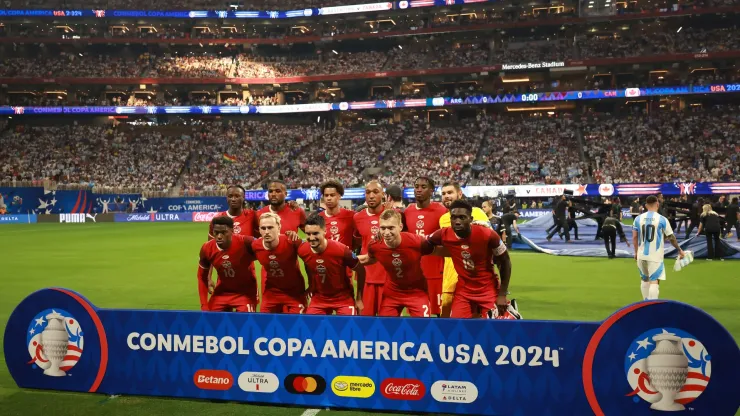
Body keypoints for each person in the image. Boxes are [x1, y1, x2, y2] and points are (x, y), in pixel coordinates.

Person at [427, 200, 512, 319]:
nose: (457, 221)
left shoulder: (487, 234)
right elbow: (424, 244)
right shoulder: (444, 234)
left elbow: (505, 261)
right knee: (457, 327)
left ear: (471, 219)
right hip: (464, 292)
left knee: (499, 328)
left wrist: (502, 294)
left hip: (487, 289)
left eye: (462, 217)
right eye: (454, 218)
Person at [359, 210, 436, 317]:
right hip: (392, 294)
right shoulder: (375, 245)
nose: (386, 233)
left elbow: (438, 250)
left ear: (400, 227)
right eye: (383, 228)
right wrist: (343, 258)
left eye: (391, 228)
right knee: (386, 328)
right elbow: (368, 259)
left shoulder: (416, 242)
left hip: (417, 293)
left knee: (422, 328)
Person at [438, 182, 491, 318]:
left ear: (460, 194)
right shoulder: (443, 219)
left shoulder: (477, 212)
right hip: (450, 280)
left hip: (475, 281)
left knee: (477, 322)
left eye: (450, 192)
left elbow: (490, 242)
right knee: (447, 323)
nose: (446, 196)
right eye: (443, 194)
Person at [298, 214, 364, 315]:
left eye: (315, 233)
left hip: (343, 298)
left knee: (347, 328)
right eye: (308, 234)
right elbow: (308, 265)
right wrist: (311, 285)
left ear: (325, 231)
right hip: (319, 298)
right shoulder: (303, 250)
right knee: (312, 328)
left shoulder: (342, 250)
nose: (311, 238)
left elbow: (361, 270)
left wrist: (359, 298)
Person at [404, 176, 447, 316]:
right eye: (416, 187)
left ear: (432, 191)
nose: (419, 190)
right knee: (417, 317)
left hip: (436, 272)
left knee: (439, 315)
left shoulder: (441, 211)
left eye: (423, 187)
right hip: (414, 273)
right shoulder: (408, 211)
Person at [197, 216, 258, 312]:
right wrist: (204, 306)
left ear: (232, 231)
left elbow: (266, 247)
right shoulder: (207, 248)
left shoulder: (246, 242)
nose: (219, 236)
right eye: (216, 233)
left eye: (223, 232)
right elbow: (201, 277)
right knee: (212, 321)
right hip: (222, 292)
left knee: (244, 323)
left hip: (245, 293)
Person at [632, 195, 686, 301]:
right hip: (655, 256)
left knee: (644, 279)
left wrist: (636, 252)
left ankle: (645, 304)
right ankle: (653, 306)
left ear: (646, 206)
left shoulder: (638, 219)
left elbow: (634, 236)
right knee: (654, 281)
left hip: (641, 254)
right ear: (657, 204)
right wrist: (679, 249)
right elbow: (671, 237)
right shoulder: (662, 219)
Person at [251, 212, 307, 313]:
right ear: (259, 230)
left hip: (295, 292)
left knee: (298, 325)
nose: (267, 231)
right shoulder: (255, 246)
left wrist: (312, 284)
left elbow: (310, 256)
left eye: (270, 227)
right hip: (272, 292)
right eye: (263, 228)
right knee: (264, 324)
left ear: (279, 227)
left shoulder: (291, 241)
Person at [353, 180, 390, 316]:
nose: (371, 196)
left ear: (383, 194)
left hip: (387, 275)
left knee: (387, 322)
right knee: (364, 321)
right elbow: (356, 242)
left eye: (375, 192)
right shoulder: (357, 217)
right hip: (366, 276)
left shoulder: (392, 215)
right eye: (368, 192)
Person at [318, 180, 356, 248]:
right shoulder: (318, 218)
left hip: (345, 257)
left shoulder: (351, 215)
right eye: (326, 195)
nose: (329, 198)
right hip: (327, 258)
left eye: (332, 195)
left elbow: (359, 238)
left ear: (339, 196)